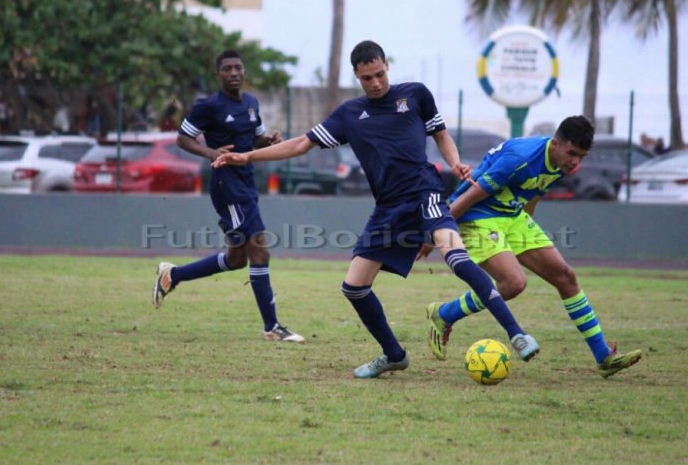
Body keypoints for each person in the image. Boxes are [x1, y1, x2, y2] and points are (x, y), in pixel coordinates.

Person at [215, 40, 537, 378]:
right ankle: (394, 354)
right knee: (354, 286)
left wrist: (455, 163)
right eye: (367, 78)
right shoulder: (349, 115)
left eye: (380, 74)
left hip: (423, 190)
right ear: (357, 76)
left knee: (454, 253)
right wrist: (247, 155)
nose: (376, 83)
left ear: (387, 65)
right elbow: (300, 144)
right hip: (388, 208)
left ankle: (516, 333)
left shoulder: (415, 95)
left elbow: (440, 135)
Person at [418, 116, 642, 378]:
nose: (575, 162)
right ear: (555, 144)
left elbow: (534, 192)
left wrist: (525, 233)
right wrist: (432, 235)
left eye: (581, 156)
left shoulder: (560, 162)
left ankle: (603, 357)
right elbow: (470, 195)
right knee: (513, 283)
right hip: (477, 216)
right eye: (572, 154)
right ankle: (445, 313)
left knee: (566, 278)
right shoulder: (520, 159)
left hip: (513, 218)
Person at [152, 49, 304, 344]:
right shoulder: (209, 106)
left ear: (244, 72)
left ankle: (172, 275)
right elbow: (182, 138)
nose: (234, 73)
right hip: (227, 185)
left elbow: (254, 138)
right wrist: (210, 151)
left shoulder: (250, 103)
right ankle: (272, 327)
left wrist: (269, 140)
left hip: (246, 182)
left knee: (237, 260)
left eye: (238, 68)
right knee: (260, 250)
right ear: (218, 75)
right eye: (227, 69)